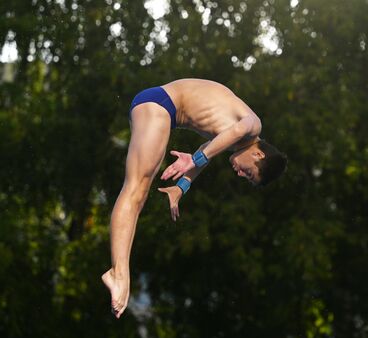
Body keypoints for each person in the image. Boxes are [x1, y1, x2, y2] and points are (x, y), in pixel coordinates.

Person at [101, 79, 287, 318]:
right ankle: (118, 272)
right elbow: (217, 145)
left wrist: (181, 187)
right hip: (160, 105)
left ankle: (119, 272)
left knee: (140, 192)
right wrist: (196, 159)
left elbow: (207, 148)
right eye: (248, 172)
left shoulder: (235, 140)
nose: (240, 174)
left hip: (159, 107)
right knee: (135, 189)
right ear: (259, 154)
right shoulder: (252, 126)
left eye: (245, 177)